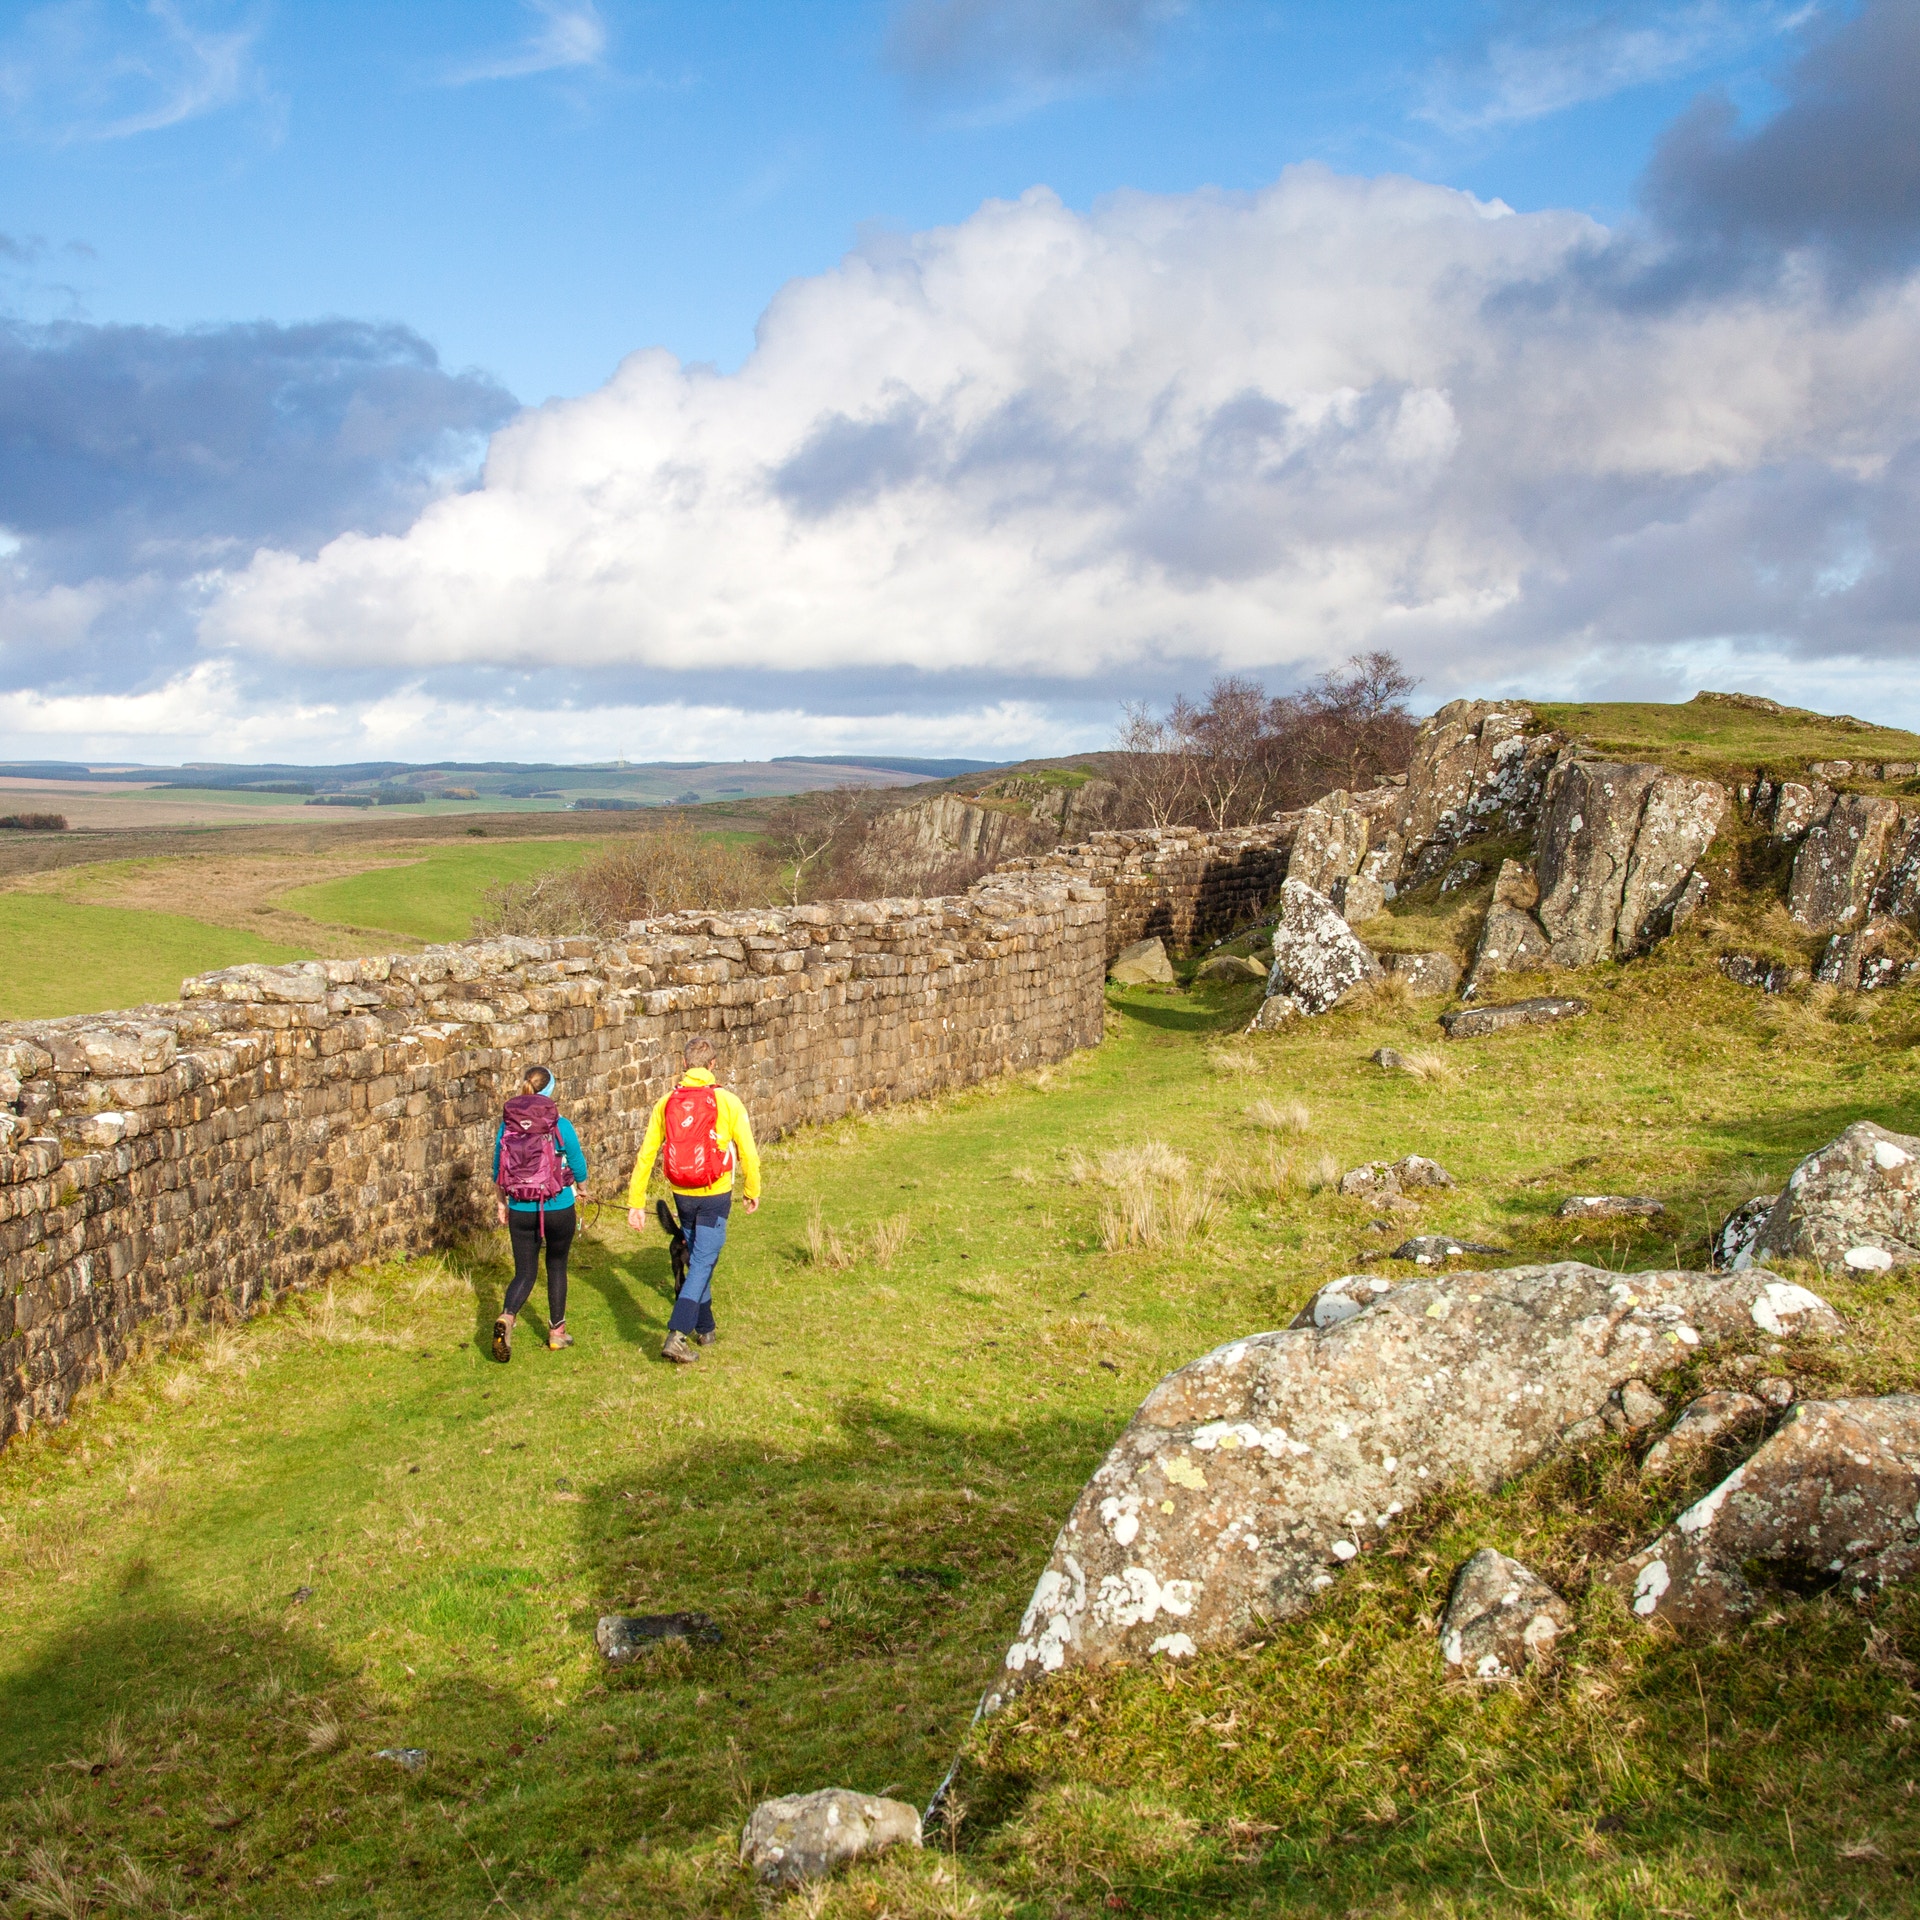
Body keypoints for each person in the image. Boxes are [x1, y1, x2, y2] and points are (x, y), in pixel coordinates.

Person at [627, 1037, 760, 1364]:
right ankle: (677, 1333)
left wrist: (636, 1200)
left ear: (684, 1065)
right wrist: (751, 1190)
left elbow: (646, 1154)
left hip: (682, 1193)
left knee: (700, 1257)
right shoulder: (728, 1101)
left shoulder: (666, 1102)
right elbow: (749, 1153)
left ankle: (706, 1327)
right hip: (715, 1195)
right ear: (713, 1065)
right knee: (702, 1262)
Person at [491, 1064, 589, 1363]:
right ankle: (557, 1333)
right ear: (550, 1091)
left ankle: (507, 1317)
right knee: (557, 1265)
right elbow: (578, 1163)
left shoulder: (506, 1126)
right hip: (558, 1206)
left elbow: (498, 1168)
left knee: (524, 1271)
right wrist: (583, 1189)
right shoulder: (561, 1124)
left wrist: (500, 1202)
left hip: (520, 1207)